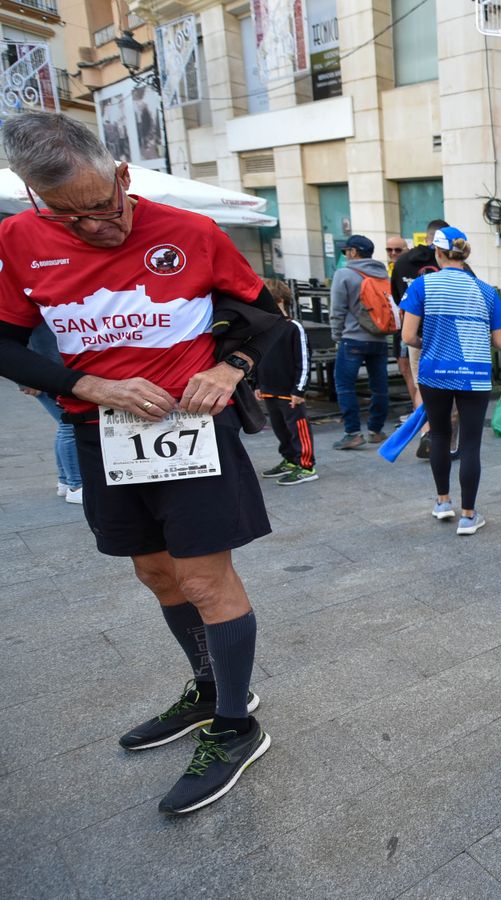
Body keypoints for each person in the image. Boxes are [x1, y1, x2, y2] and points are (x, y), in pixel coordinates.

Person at [0, 111, 278, 814]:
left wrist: (231, 366)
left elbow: (266, 316)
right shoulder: (17, 241)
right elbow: (5, 342)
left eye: (103, 206)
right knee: (155, 572)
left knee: (204, 579)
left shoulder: (190, 233)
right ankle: (211, 686)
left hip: (191, 428)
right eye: (70, 218)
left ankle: (237, 726)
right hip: (102, 433)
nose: (96, 227)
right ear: (35, 200)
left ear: (123, 176)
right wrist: (85, 384)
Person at [399, 226, 501, 534]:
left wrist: (429, 343)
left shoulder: (423, 285)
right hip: (474, 375)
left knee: (440, 436)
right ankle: (469, 515)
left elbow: (408, 335)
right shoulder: (486, 291)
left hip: (435, 372)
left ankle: (443, 502)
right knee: (471, 444)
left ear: (437, 252)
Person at [392, 220, 454, 459]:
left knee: (421, 385)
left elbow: (400, 300)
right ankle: (446, 437)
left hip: (418, 333)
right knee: (453, 388)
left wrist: (417, 339)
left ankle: (427, 432)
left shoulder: (403, 263)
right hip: (449, 337)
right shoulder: (456, 264)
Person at [328, 234, 393, 450]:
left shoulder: (344, 274)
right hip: (380, 338)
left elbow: (337, 309)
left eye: (347, 251)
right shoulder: (383, 275)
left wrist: (337, 335)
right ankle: (376, 430)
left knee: (345, 386)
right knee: (379, 386)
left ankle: (352, 432)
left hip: (353, 339)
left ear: (354, 252)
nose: (346, 255)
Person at [256, 279, 318, 484]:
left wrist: (299, 390)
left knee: (297, 428)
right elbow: (258, 357)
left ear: (280, 301)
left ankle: (306, 466)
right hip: (269, 389)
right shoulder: (262, 329)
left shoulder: (294, 327)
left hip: (290, 391)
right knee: (280, 428)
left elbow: (304, 360)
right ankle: (290, 460)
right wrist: (257, 384)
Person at [17, 323, 82, 503]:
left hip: (50, 374)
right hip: (47, 375)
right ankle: (75, 485)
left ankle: (66, 481)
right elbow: (15, 342)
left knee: (65, 425)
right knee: (69, 425)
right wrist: (25, 379)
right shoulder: (29, 302)